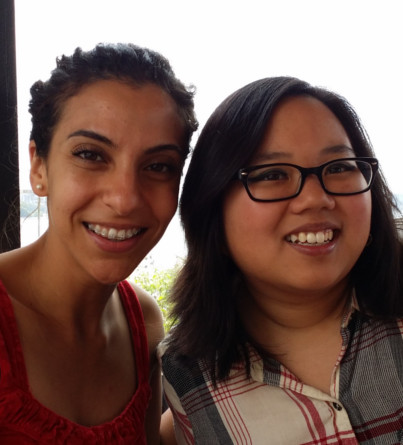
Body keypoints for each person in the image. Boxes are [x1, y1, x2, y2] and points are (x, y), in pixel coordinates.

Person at [159, 76, 403, 444]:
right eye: (272, 175)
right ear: (212, 212)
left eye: (338, 167)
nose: (315, 199)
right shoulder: (188, 375)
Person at [0, 43, 197, 444]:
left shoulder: (143, 320)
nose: (125, 199)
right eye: (91, 154)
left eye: (158, 166)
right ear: (39, 167)